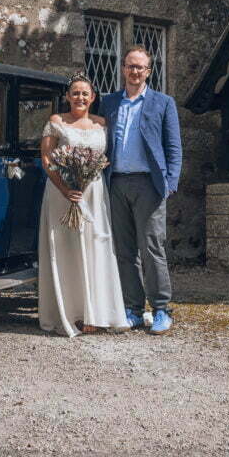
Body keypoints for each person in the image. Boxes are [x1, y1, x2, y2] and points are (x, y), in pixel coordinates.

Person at [37, 72, 127, 337]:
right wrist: (65, 189)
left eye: (85, 93)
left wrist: (86, 179)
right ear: (67, 97)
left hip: (93, 192)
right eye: (75, 93)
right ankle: (69, 313)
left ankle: (95, 313)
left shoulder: (102, 124)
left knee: (96, 245)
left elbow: (105, 159)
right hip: (61, 192)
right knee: (66, 249)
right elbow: (46, 159)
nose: (80, 97)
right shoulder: (56, 122)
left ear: (93, 98)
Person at [100, 46, 182, 335]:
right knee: (124, 251)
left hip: (149, 185)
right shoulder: (108, 102)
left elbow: (173, 146)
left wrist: (170, 183)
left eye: (140, 67)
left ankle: (161, 309)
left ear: (148, 71)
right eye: (130, 66)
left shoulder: (163, 102)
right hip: (116, 183)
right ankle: (133, 309)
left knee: (151, 249)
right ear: (123, 69)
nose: (135, 71)